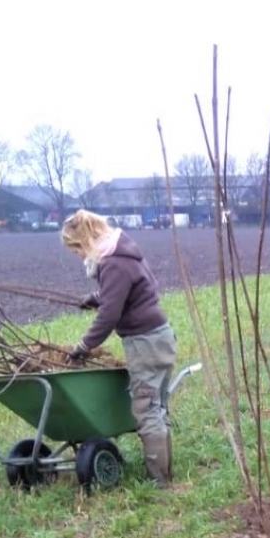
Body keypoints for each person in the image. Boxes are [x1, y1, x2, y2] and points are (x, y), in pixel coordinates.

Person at [61, 209, 177, 487]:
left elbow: (109, 316)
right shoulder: (124, 251)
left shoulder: (112, 262)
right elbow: (131, 290)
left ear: (84, 241)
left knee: (147, 409)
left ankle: (159, 481)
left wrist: (84, 346)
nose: (77, 255)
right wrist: (97, 297)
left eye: (75, 249)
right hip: (160, 335)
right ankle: (165, 470)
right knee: (157, 407)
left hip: (144, 343)